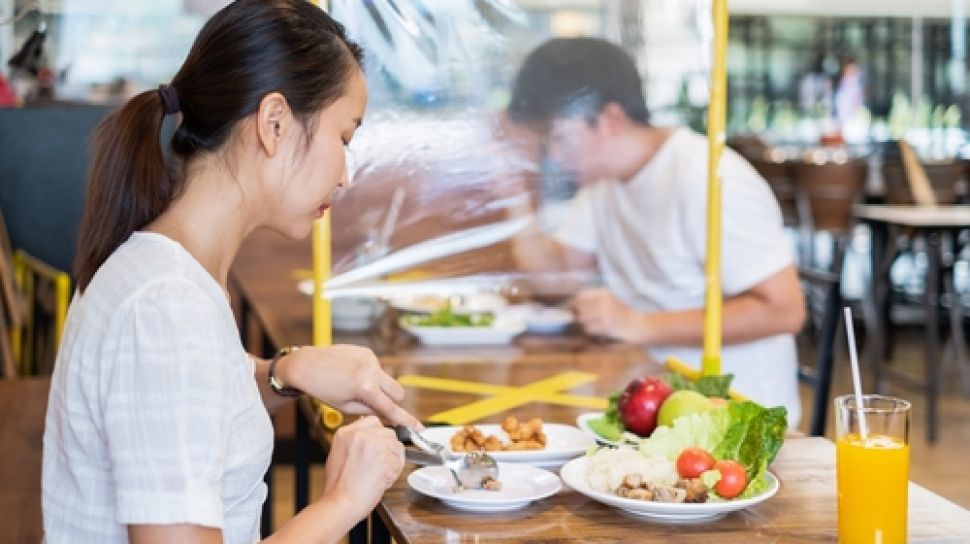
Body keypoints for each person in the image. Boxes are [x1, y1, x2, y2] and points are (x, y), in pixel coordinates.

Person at [42, 2, 420, 542]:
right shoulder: (166, 305)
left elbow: (184, 399)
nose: (345, 174)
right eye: (344, 138)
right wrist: (344, 500)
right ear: (273, 123)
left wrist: (283, 374)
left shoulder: (161, 265)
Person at [507, 37, 806, 423]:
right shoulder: (603, 182)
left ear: (611, 119)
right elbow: (556, 280)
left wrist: (636, 324)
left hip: (731, 415)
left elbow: (783, 310)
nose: (552, 155)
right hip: (646, 398)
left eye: (558, 136)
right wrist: (509, 196)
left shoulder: (707, 177)